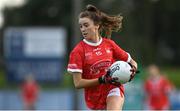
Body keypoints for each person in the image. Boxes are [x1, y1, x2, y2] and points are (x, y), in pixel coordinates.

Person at [67, 4, 138, 110]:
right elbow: (78, 83)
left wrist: (133, 69)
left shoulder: (109, 44)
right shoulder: (78, 51)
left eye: (86, 25)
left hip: (113, 88)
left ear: (97, 25)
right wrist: (102, 80)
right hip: (94, 99)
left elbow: (132, 62)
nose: (83, 29)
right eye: (81, 26)